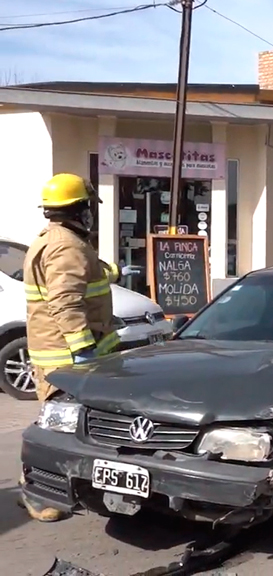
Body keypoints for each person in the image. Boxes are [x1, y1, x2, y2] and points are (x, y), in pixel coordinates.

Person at [21, 173, 121, 523]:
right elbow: (65, 302)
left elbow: (74, 282)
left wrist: (105, 274)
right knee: (56, 428)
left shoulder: (55, 239)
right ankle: (38, 495)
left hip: (53, 351)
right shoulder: (67, 246)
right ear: (81, 209)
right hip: (67, 358)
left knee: (59, 426)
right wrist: (83, 351)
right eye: (89, 207)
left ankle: (44, 486)